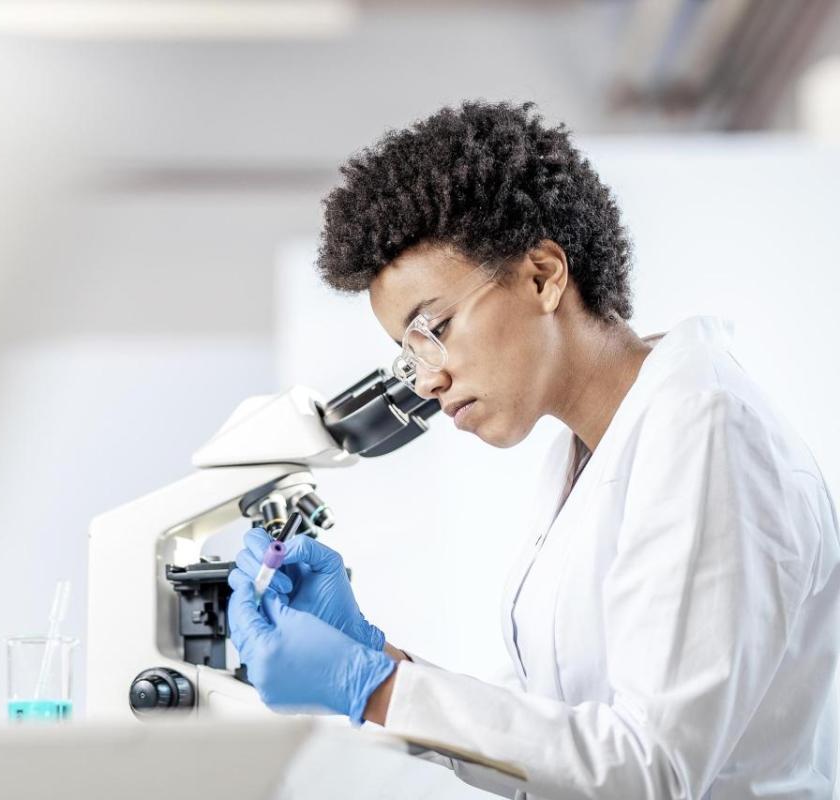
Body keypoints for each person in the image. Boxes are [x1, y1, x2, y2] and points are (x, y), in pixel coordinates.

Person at [227, 101, 840, 799]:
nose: (427, 379)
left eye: (433, 329)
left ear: (544, 274)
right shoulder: (589, 453)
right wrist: (381, 661)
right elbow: (557, 728)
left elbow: (651, 769)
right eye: (406, 353)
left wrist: (380, 691)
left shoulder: (705, 430)